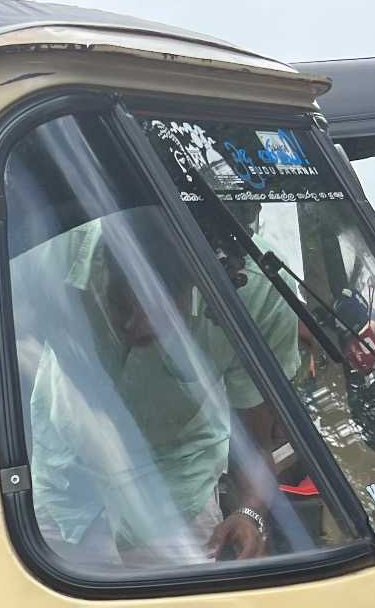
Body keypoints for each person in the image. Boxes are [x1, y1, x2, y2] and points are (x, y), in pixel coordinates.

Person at [27, 220, 280, 566]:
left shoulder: (256, 296)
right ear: (103, 264)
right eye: (119, 305)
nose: (134, 326)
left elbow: (256, 443)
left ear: (193, 286)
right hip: (65, 490)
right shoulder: (55, 245)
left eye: (158, 318)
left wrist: (250, 513)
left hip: (179, 502)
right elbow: (20, 325)